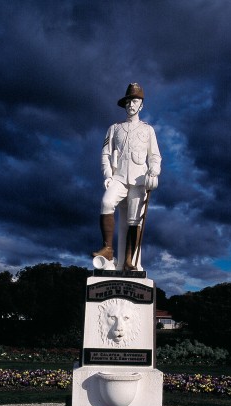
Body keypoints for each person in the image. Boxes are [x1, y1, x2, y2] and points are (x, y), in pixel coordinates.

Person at [92, 83, 161, 270]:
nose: (131, 104)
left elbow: (154, 155)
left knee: (134, 219)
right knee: (106, 202)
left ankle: (129, 261)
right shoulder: (114, 128)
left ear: (141, 105)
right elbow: (106, 153)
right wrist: (107, 174)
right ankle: (107, 249)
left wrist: (154, 170)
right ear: (125, 104)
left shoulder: (148, 130)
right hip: (119, 177)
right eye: (129, 101)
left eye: (135, 101)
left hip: (139, 179)